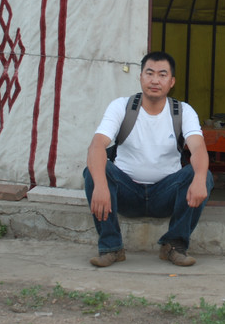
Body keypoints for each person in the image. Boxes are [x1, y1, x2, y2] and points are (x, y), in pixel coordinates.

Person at [83, 51, 214, 267]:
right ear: (140, 77)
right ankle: (111, 247)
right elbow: (97, 145)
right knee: (94, 170)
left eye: (162, 75)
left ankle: (174, 244)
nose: (155, 80)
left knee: (202, 175)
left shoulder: (183, 111)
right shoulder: (121, 107)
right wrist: (100, 185)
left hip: (165, 195)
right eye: (149, 73)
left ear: (172, 82)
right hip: (127, 192)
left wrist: (200, 178)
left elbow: (198, 148)